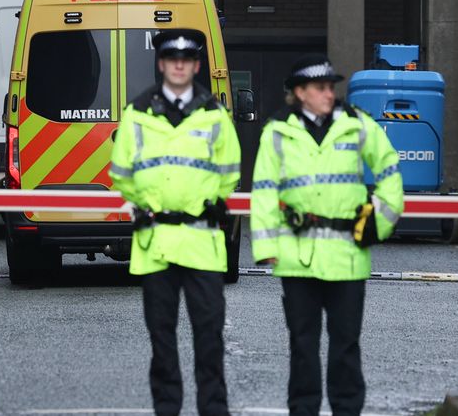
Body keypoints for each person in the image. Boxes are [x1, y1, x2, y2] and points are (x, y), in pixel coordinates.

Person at [249, 54, 404, 416]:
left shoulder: (356, 123)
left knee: (346, 346)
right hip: (297, 256)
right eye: (320, 88)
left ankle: (347, 411)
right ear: (300, 92)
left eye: (331, 87)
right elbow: (265, 190)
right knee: (303, 346)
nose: (329, 93)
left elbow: (389, 167)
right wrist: (267, 246)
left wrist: (378, 222)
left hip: (347, 255)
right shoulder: (278, 130)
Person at [109, 28, 241, 416]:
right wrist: (145, 202)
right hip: (157, 240)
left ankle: (213, 411)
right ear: (162, 64)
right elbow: (121, 172)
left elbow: (230, 171)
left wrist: (211, 200)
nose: (179, 66)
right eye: (172, 60)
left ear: (196, 66)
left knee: (209, 340)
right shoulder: (137, 113)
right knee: (162, 341)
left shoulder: (214, 115)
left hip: (201, 241)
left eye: (186, 60)